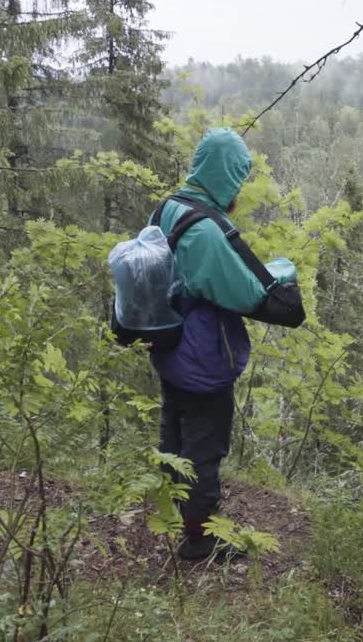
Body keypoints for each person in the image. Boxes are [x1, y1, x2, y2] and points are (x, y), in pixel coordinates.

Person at [148, 127, 288, 561]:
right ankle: (200, 539)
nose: (239, 189)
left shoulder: (168, 208)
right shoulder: (206, 229)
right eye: (238, 179)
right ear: (225, 175)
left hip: (169, 346)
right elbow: (245, 293)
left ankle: (172, 514)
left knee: (174, 433)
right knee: (205, 448)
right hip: (202, 358)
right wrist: (281, 273)